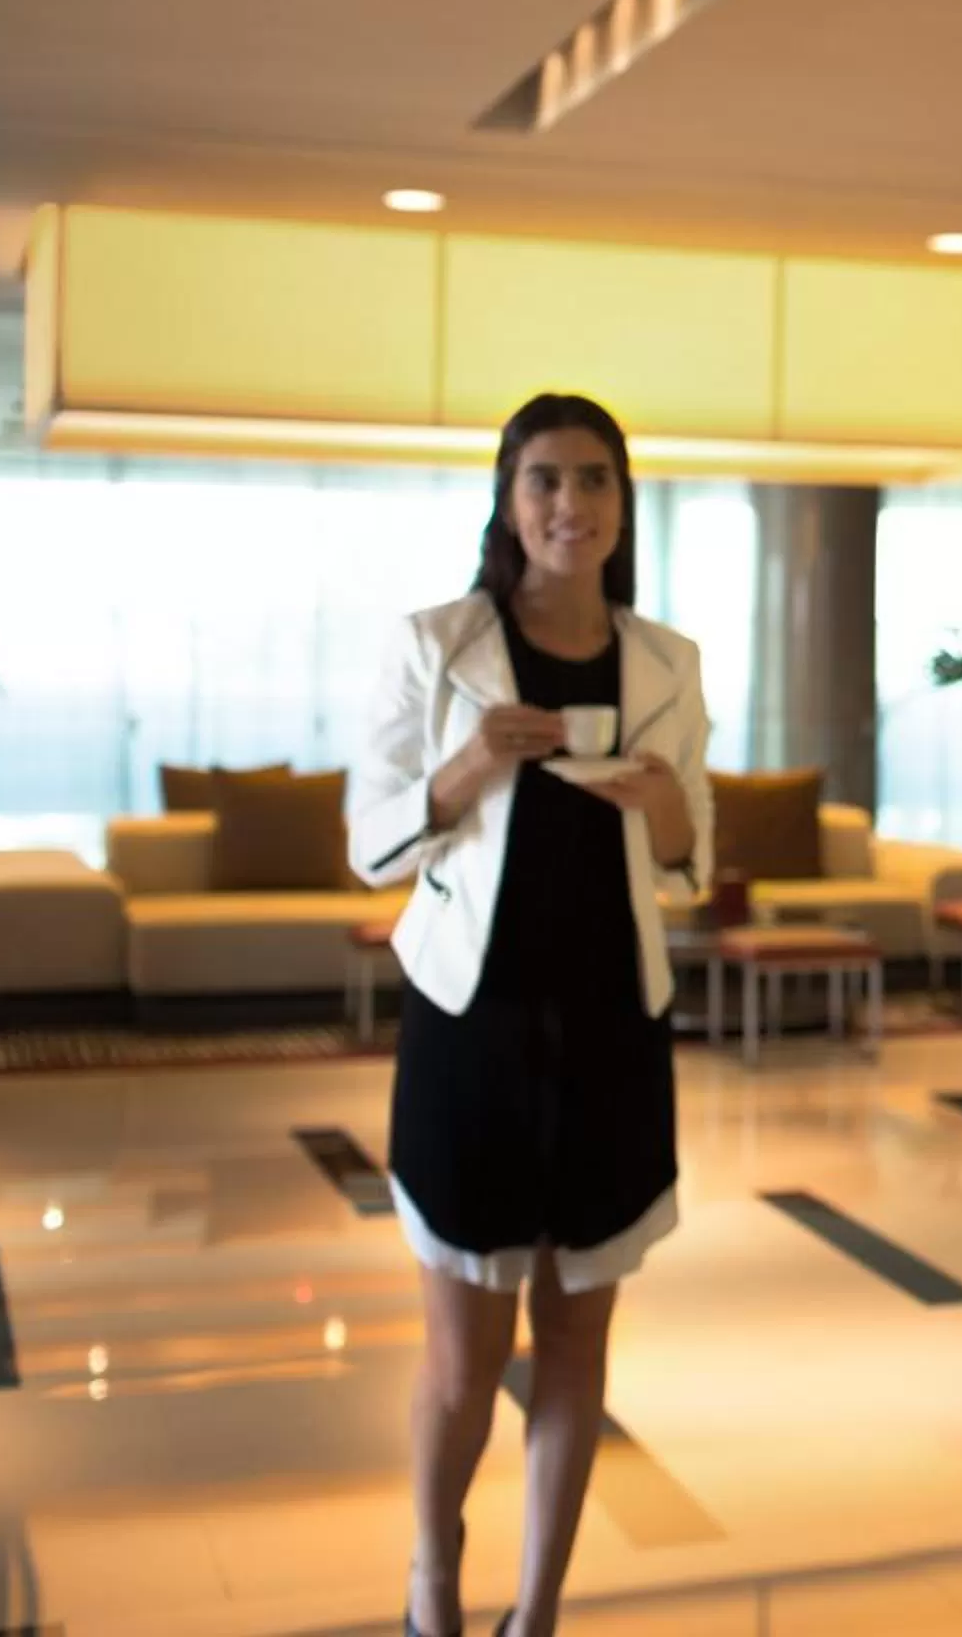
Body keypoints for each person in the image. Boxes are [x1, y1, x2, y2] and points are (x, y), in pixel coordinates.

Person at [347, 393, 712, 1637]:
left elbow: (692, 858)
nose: (572, 503)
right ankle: (434, 1578)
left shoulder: (666, 661)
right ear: (509, 501)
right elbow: (368, 841)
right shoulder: (437, 645)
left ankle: (539, 1608)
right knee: (463, 1357)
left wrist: (660, 800)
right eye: (546, 479)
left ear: (623, 501)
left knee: (575, 1341)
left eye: (595, 478)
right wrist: (468, 766)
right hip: (474, 1029)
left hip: (613, 1029)